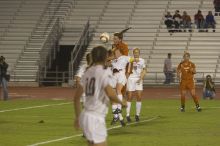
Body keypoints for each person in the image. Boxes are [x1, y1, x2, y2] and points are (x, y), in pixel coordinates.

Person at [74, 46, 126, 146]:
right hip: (96, 117)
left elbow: (76, 98)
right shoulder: (103, 72)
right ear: (105, 57)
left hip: (86, 115)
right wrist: (121, 102)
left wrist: (77, 117)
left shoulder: (88, 72)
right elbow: (110, 93)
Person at [110, 49, 132, 126]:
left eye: (115, 51)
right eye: (113, 52)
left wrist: (128, 72)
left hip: (121, 74)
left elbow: (132, 61)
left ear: (119, 52)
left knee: (118, 90)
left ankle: (119, 109)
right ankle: (117, 116)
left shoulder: (125, 57)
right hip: (113, 76)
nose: (114, 53)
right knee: (112, 96)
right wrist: (110, 59)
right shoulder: (113, 61)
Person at [126, 48, 146, 122]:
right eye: (134, 52)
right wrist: (126, 82)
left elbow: (144, 70)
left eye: (137, 52)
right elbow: (127, 72)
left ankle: (137, 115)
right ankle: (127, 115)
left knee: (139, 96)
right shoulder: (130, 60)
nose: (136, 54)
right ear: (133, 53)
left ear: (139, 53)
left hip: (138, 79)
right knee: (130, 97)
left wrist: (141, 78)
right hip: (131, 79)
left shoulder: (142, 60)